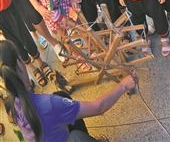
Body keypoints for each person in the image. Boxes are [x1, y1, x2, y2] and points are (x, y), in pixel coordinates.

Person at [0, 39, 137, 142]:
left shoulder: (10, 105)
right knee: (76, 135)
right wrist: (123, 86)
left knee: (61, 96)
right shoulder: (49, 103)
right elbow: (98, 108)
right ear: (20, 63)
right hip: (67, 137)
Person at [1, 0, 53, 88]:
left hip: (7, 7)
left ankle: (39, 61)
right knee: (12, 42)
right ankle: (31, 65)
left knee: (23, 35)